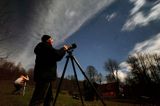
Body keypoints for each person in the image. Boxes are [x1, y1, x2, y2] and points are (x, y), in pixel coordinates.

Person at [29, 35, 69, 106]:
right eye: (51, 39)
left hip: (44, 76)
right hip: (45, 76)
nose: (53, 40)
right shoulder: (45, 46)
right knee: (38, 99)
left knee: (48, 98)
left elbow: (54, 54)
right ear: (48, 40)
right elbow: (56, 55)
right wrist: (64, 49)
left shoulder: (42, 48)